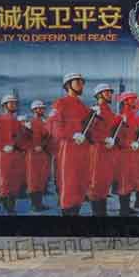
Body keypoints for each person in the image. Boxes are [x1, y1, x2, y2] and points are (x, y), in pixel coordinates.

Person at [50, 73, 98, 216]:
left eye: (82, 82)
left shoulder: (84, 107)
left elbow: (90, 129)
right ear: (68, 85)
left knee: (81, 184)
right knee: (69, 184)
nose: (81, 85)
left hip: (83, 150)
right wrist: (72, 135)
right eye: (77, 82)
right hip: (68, 149)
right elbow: (54, 127)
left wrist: (95, 118)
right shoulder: (60, 103)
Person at [0, 94, 24, 214]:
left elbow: (20, 137)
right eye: (11, 103)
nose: (14, 105)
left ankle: (11, 207)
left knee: (15, 180)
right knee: (5, 179)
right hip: (4, 155)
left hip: (16, 154)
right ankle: (7, 207)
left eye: (15, 103)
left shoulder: (17, 121)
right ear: (4, 105)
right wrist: (1, 147)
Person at [88, 83, 119, 217]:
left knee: (105, 180)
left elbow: (112, 130)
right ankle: (97, 212)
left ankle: (103, 211)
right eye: (107, 92)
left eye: (110, 92)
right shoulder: (94, 110)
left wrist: (112, 139)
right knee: (96, 180)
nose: (110, 95)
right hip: (97, 149)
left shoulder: (110, 112)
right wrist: (103, 139)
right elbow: (89, 132)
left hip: (108, 150)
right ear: (99, 95)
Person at [22, 100, 52, 212]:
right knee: (33, 180)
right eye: (39, 108)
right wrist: (33, 146)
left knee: (41, 179)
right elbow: (23, 139)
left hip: (44, 154)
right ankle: (35, 205)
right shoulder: (29, 123)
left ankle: (39, 204)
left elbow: (48, 137)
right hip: (33, 155)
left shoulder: (45, 122)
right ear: (34, 110)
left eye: (42, 108)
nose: (41, 110)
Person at [115, 91, 139, 216]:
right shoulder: (121, 116)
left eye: (135, 99)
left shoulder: (133, 117)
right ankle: (123, 209)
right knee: (124, 180)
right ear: (125, 101)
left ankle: (127, 206)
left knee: (130, 179)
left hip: (132, 152)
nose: (135, 101)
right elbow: (117, 136)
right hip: (124, 153)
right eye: (132, 99)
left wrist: (135, 143)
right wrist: (128, 143)